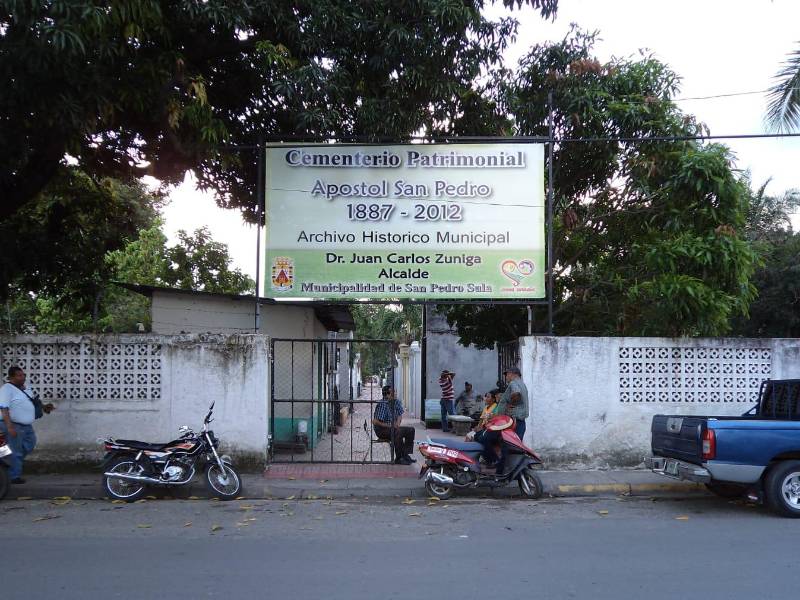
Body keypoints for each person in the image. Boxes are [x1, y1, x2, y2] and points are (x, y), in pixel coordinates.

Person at [0, 366, 55, 484]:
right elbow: (4, 408)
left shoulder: (26, 388)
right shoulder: (6, 389)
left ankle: (9, 462)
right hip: (13, 424)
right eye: (19, 375)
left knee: (30, 443)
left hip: (26, 426)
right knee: (16, 451)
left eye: (23, 374)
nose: (23, 377)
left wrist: (45, 407)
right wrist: (9, 427)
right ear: (11, 377)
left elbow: (32, 401)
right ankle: (13, 476)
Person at [372, 385, 416, 465]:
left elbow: (400, 414)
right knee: (398, 432)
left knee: (411, 430)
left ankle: (405, 455)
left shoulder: (396, 402)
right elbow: (375, 422)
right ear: (387, 395)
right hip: (382, 429)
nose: (395, 394)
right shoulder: (383, 404)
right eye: (393, 393)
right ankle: (399, 458)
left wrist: (397, 423)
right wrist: (391, 426)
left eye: (395, 392)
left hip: (393, 428)